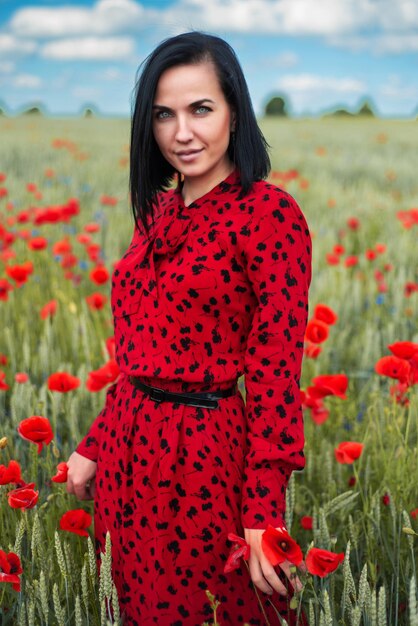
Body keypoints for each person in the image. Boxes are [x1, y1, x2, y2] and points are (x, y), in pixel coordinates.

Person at [66, 31, 312, 626]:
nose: (182, 132)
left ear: (235, 112)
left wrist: (261, 514)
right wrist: (95, 444)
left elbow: (277, 372)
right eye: (163, 115)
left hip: (201, 462)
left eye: (201, 109)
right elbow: (141, 354)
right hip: (128, 452)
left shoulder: (269, 215)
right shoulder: (156, 213)